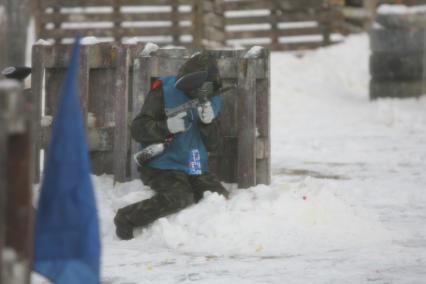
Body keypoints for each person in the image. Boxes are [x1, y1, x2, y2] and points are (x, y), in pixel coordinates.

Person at [114, 52, 229, 240]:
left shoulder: (213, 99)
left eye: (203, 88)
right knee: (180, 197)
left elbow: (214, 145)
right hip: (162, 164)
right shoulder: (164, 90)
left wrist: (208, 124)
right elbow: (138, 129)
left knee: (217, 197)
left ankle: (201, 238)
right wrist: (165, 126)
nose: (199, 92)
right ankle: (127, 217)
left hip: (194, 163)